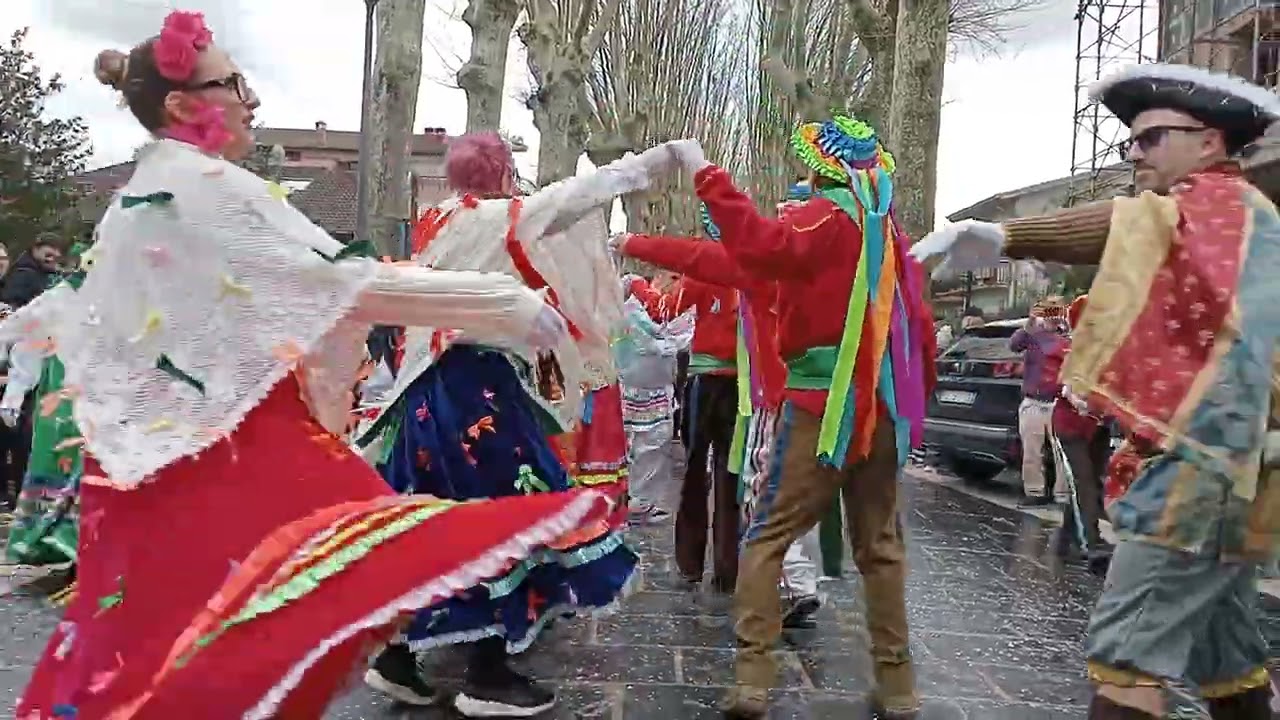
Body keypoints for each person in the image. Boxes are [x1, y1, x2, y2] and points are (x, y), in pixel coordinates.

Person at [7, 12, 623, 719]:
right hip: (207, 466)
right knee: (259, 617)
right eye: (233, 83)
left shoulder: (157, 191)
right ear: (183, 105)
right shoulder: (198, 187)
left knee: (195, 639)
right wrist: (505, 304)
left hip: (176, 464)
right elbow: (343, 281)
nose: (251, 97)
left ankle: (402, 661)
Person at [911, 62, 1279, 720]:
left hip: (1199, 466)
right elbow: (1135, 225)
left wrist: (1008, 234)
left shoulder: (1225, 211)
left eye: (1151, 138)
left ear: (1211, 141)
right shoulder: (1218, 214)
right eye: (1128, 141)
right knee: (1228, 657)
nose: (1135, 153)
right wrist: (1008, 237)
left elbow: (1125, 223)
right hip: (1218, 468)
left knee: (1126, 658)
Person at [356, 130, 681, 717]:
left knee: (431, 520)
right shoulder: (507, 217)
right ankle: (485, 673)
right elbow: (583, 193)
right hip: (480, 392)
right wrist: (657, 161)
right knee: (503, 519)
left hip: (428, 390)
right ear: (504, 172)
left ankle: (398, 654)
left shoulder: (436, 220)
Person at [649, 117, 936, 718]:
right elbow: (920, 333)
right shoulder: (885, 233)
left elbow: (751, 246)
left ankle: (754, 678)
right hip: (880, 408)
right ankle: (899, 686)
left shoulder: (820, 219)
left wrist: (707, 173)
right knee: (880, 545)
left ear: (818, 167)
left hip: (820, 407)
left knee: (769, 534)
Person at [616, 180, 825, 624]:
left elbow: (665, 312)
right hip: (757, 388)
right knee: (739, 477)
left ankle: (699, 566)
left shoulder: (727, 266)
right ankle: (734, 571)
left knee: (706, 472)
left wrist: (640, 278)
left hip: (724, 385)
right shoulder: (781, 261)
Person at [1043, 294, 1113, 573]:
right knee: (1083, 482)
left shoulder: (1109, 353)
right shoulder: (1067, 350)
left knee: (1087, 484)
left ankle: (1064, 543)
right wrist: (1080, 399)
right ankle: (1092, 545)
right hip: (1070, 427)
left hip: (1097, 428)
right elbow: (1058, 384)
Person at [1010, 298, 1070, 507]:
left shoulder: (1068, 338)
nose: (1053, 314)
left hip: (1059, 402)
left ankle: (1063, 494)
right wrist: (1030, 322)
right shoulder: (1032, 336)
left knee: (1062, 452)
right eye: (1049, 309)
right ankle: (1034, 491)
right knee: (1032, 451)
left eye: (1057, 309)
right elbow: (1014, 345)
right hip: (1034, 400)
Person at [1, 237, 62, 308]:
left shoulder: (48, 275)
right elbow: (10, 306)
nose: (52, 260)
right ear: (35, 250)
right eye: (48, 255)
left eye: (56, 258)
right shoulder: (23, 274)